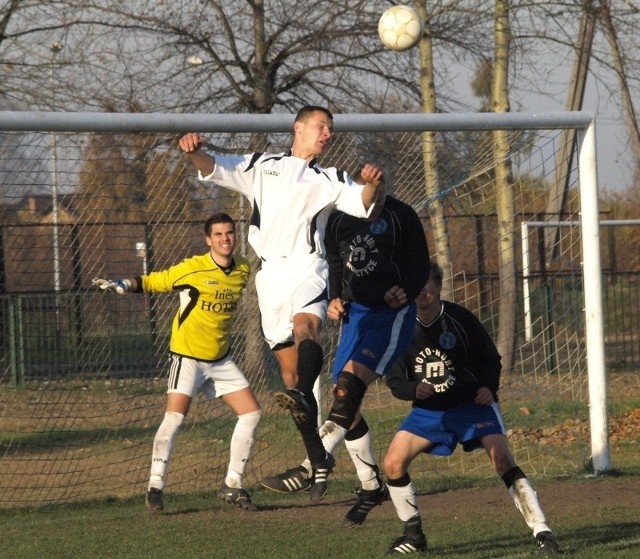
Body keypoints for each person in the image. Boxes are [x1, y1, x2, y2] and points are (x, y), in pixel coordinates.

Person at [178, 106, 383, 502]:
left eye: (331, 129)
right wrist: (193, 152)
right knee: (291, 383)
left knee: (307, 330)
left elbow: (364, 201)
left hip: (308, 267)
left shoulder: (330, 177)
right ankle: (318, 460)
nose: (327, 134)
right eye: (321, 126)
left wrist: (373, 183)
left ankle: (308, 399)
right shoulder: (262, 164)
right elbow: (213, 166)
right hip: (270, 277)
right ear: (299, 128)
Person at [261, 179, 430, 528]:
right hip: (356, 314)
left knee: (348, 390)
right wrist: (334, 296)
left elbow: (421, 266)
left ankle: (312, 465)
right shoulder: (339, 218)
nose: (373, 202)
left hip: (390, 315)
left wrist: (407, 289)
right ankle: (370, 487)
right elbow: (335, 260)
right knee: (344, 398)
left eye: (379, 196)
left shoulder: (402, 216)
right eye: (367, 196)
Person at [382, 261, 560, 555]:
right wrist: (414, 389)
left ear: (438, 287)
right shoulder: (400, 327)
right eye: (417, 284)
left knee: (501, 459)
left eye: (428, 283)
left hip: (471, 405)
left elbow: (491, 359)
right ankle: (413, 536)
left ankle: (543, 532)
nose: (422, 289)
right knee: (392, 464)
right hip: (430, 412)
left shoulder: (461, 319)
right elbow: (394, 379)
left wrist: (488, 387)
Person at [92, 213, 261, 512]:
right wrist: (125, 284)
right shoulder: (193, 268)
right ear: (208, 240)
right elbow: (155, 281)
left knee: (251, 414)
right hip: (188, 358)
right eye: (219, 234)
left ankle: (232, 485)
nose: (225, 238)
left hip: (221, 360)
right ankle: (155, 486)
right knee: (174, 419)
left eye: (230, 233)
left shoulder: (243, 268)